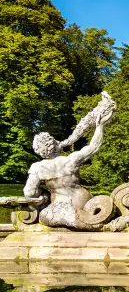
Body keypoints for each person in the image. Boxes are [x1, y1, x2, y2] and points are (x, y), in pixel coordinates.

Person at [24, 92, 116, 229]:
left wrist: (42, 196)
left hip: (57, 207)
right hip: (82, 201)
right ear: (54, 144)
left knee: (47, 217)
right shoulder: (70, 160)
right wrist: (100, 126)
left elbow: (29, 192)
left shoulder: (37, 168)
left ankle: (79, 222)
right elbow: (93, 147)